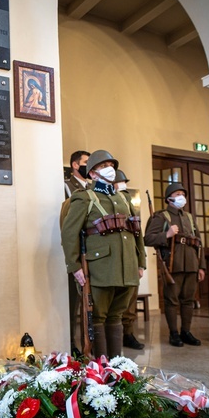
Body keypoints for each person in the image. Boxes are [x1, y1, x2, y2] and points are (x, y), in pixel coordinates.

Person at [61, 150, 146, 358]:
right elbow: (69, 234)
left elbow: (136, 232)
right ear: (92, 173)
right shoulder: (84, 198)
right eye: (102, 165)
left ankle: (115, 365)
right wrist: (75, 267)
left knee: (116, 315)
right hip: (100, 268)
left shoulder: (123, 199)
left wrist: (141, 262)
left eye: (111, 164)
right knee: (97, 316)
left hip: (126, 267)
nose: (109, 168)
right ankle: (100, 367)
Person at [144, 183, 205, 347]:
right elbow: (148, 238)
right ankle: (174, 333)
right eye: (177, 193)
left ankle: (186, 331)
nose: (181, 197)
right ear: (169, 198)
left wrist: (201, 266)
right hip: (173, 263)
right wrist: (167, 234)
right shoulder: (161, 216)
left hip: (191, 263)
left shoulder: (189, 217)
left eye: (183, 194)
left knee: (188, 300)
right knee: (171, 301)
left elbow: (199, 242)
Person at [62, 150, 90, 356]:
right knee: (73, 303)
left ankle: (91, 343)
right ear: (74, 165)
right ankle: (73, 344)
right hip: (76, 250)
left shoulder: (94, 188)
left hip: (93, 251)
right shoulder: (66, 186)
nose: (88, 167)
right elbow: (67, 220)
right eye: (85, 162)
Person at [114, 169, 145, 350]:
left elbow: (137, 233)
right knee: (116, 302)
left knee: (131, 300)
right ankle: (115, 336)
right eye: (121, 182)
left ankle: (128, 333)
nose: (124, 185)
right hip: (115, 259)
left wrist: (141, 262)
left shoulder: (129, 202)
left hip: (131, 259)